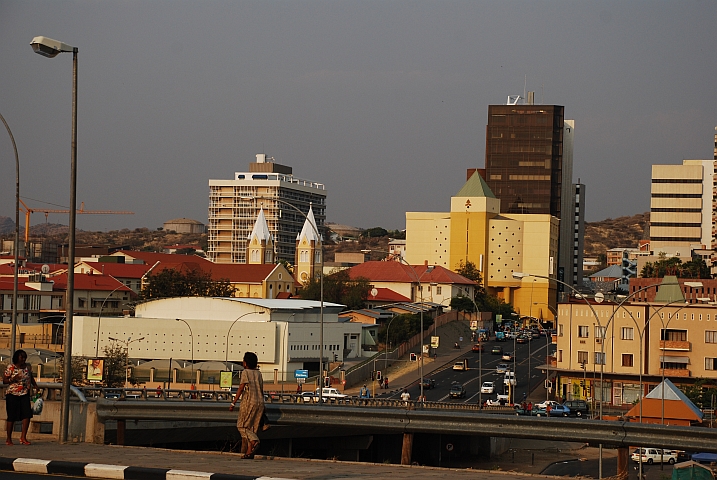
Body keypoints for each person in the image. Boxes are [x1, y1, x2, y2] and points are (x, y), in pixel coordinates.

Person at [229, 352, 264, 459]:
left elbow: (241, 388)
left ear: (245, 363)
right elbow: (262, 389)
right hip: (260, 402)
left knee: (241, 426)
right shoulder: (258, 373)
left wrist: (233, 402)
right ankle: (249, 452)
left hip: (249, 402)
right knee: (252, 428)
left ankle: (254, 440)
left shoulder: (245, 372)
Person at [3, 349, 37, 445]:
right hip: (12, 394)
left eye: (24, 357)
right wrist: (13, 379)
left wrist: (35, 385)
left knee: (27, 415)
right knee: (12, 416)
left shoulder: (27, 367)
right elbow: (4, 380)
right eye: (21, 357)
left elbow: (30, 376)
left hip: (24, 393)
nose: (23, 359)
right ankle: (8, 438)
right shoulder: (11, 368)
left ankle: (23, 437)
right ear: (17, 357)